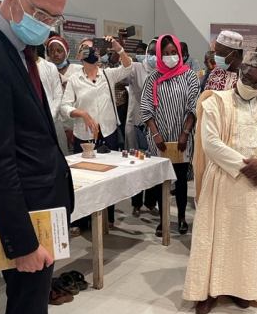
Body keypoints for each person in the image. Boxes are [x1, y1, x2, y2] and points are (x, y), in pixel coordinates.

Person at [0, 0, 84, 314]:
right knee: (25, 308)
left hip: (40, 208)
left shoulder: (18, 49)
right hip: (24, 217)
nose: (46, 25)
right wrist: (22, 242)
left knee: (32, 308)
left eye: (54, 18)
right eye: (41, 13)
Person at [183, 52, 257, 314]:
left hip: (256, 187)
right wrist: (246, 167)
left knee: (247, 240)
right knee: (217, 237)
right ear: (240, 72)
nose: (252, 85)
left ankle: (241, 289)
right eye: (248, 78)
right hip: (223, 182)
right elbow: (210, 143)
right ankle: (208, 291)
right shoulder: (216, 101)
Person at [61, 36, 132, 229]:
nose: (91, 52)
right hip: (84, 135)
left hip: (107, 133)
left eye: (93, 49)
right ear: (79, 55)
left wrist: (118, 48)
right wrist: (82, 113)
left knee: (109, 176)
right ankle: (82, 220)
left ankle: (108, 217)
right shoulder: (74, 79)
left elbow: (128, 67)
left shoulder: (107, 75)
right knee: (84, 178)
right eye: (85, 48)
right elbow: (64, 107)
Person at [141, 34, 200, 236]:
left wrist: (185, 133)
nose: (170, 56)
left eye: (173, 52)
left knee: (181, 180)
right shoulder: (152, 79)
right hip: (159, 141)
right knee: (161, 181)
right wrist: (156, 134)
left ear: (180, 53)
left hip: (182, 139)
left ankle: (182, 217)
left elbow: (193, 106)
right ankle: (163, 219)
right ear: (159, 54)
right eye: (165, 53)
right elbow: (146, 109)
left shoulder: (189, 76)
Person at [127, 38, 158, 216]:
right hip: (137, 123)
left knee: (153, 164)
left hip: (155, 126)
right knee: (136, 164)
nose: (154, 56)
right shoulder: (137, 68)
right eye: (151, 52)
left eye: (157, 53)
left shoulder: (163, 71)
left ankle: (151, 202)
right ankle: (136, 203)